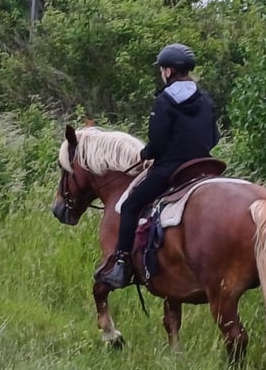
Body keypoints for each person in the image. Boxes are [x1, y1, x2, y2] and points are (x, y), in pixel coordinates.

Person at [95, 43, 221, 289]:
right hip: (204, 166)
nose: (162, 73)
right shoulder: (205, 99)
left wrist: (145, 153)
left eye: (163, 69)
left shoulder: (164, 100)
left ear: (169, 71)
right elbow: (213, 137)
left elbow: (158, 142)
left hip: (172, 170)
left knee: (130, 204)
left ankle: (120, 264)